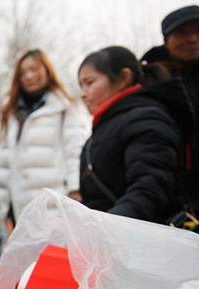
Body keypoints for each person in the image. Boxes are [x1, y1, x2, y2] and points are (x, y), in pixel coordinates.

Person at [0, 49, 90, 237]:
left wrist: (75, 189)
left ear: (47, 71)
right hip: (18, 201)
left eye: (34, 69)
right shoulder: (12, 111)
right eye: (23, 73)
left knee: (52, 253)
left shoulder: (64, 108)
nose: (29, 76)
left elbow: (74, 150)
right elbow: (3, 154)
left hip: (53, 197)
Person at [77, 46, 190, 223]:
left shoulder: (147, 119)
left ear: (124, 78)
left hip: (141, 241)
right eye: (81, 86)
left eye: (89, 83)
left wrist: (105, 228)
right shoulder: (102, 130)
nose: (83, 94)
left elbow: (150, 188)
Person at [140, 5, 199, 220]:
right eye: (183, 33)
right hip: (170, 201)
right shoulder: (150, 81)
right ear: (166, 40)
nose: (192, 39)